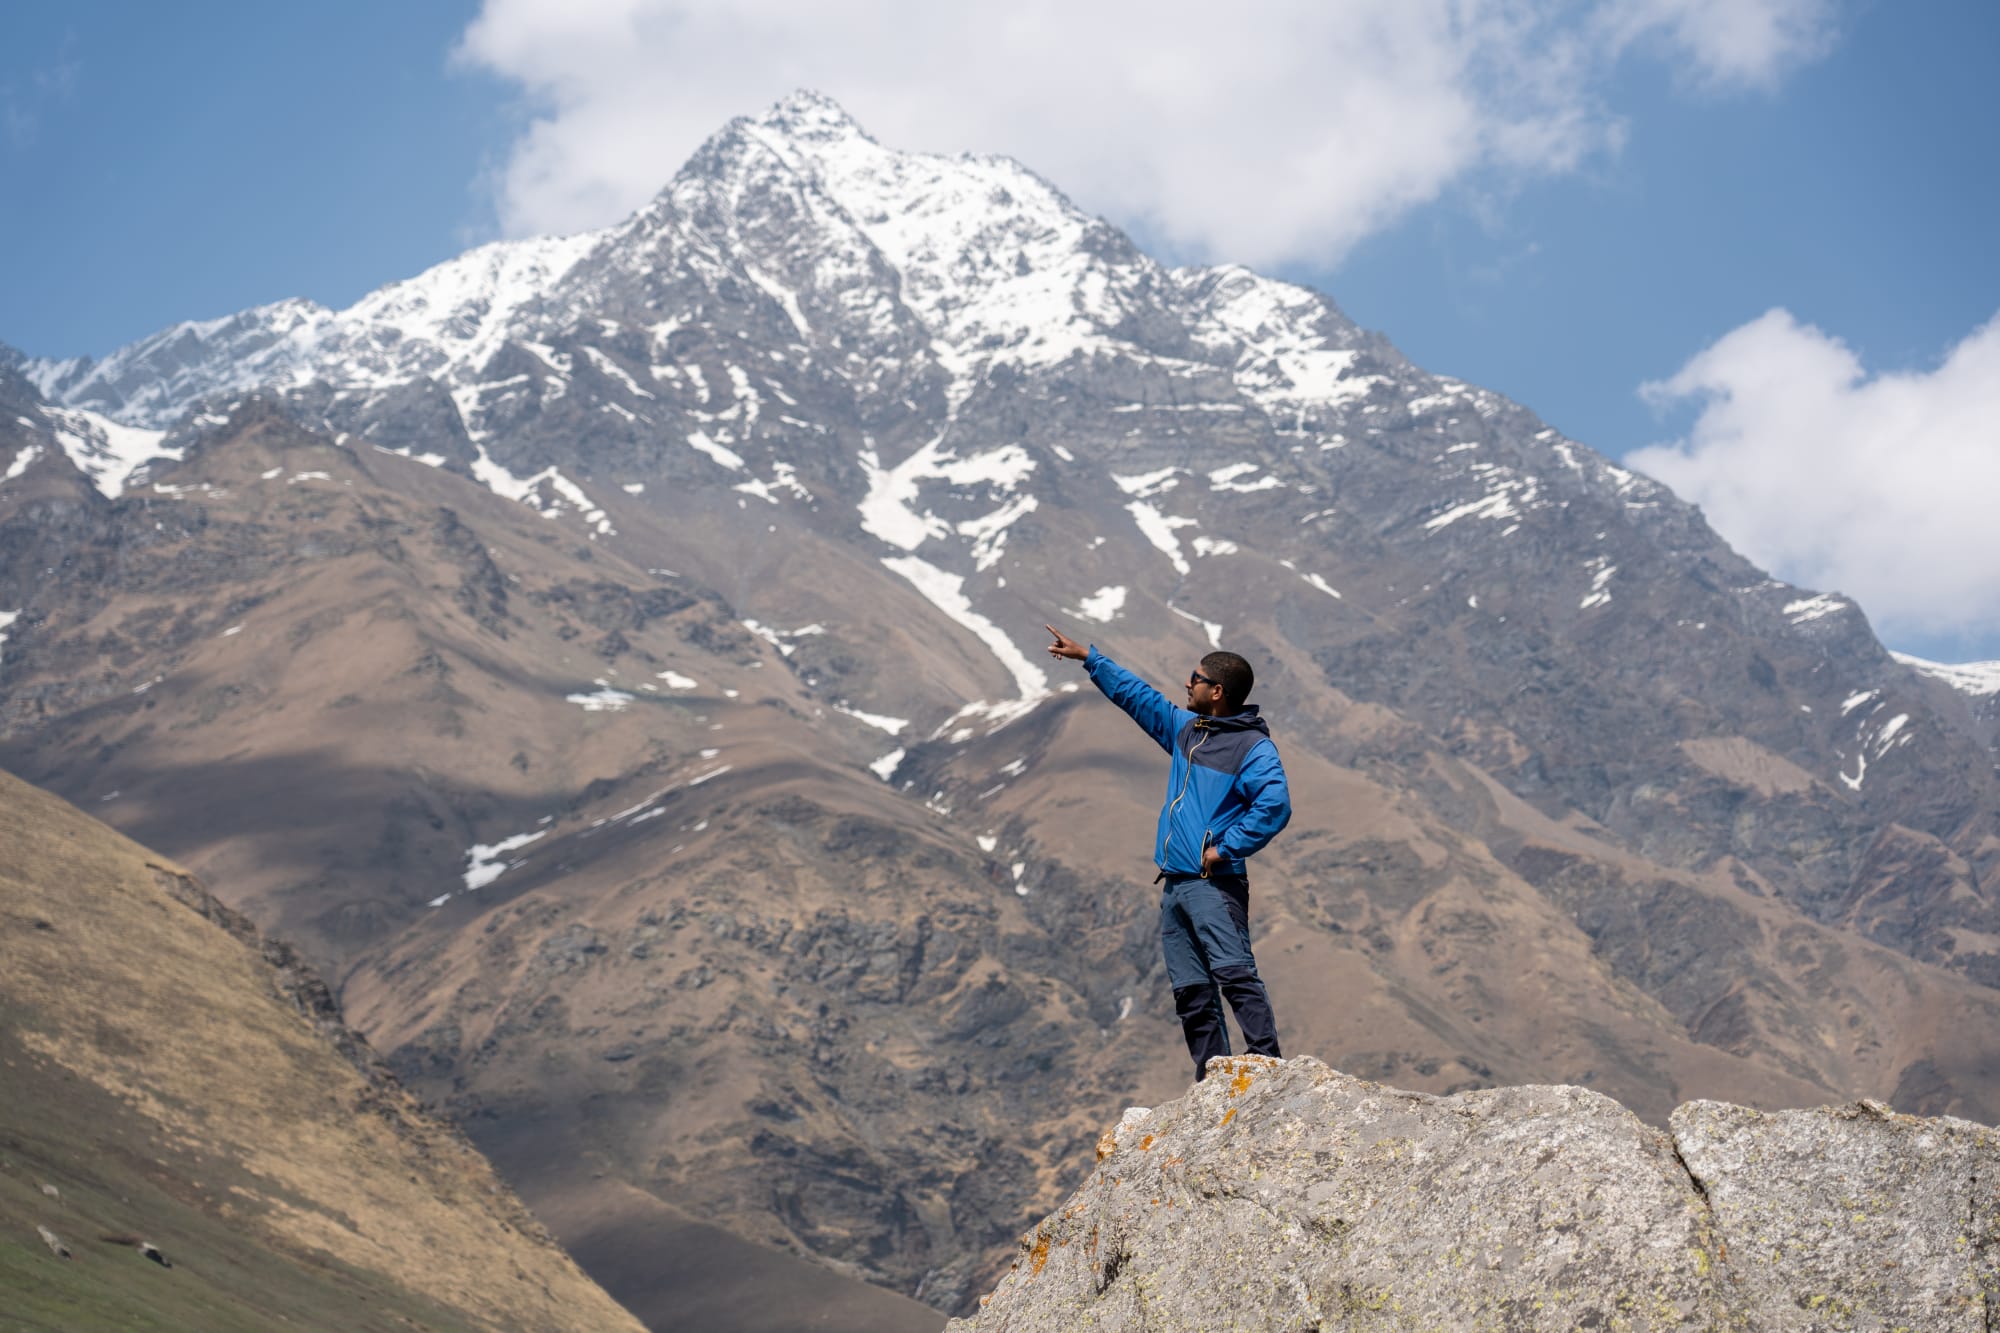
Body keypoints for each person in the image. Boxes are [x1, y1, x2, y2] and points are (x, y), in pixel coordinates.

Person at [1045, 623, 1289, 1081]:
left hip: (1213, 884)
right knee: (1192, 993)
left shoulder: (1252, 748)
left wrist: (1224, 850)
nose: (1186, 683)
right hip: (1176, 886)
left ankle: (1269, 1069)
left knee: (1235, 974)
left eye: (1194, 678)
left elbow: (1275, 803)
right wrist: (1089, 658)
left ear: (1216, 691)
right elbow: (1140, 698)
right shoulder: (1187, 731)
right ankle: (1214, 1080)